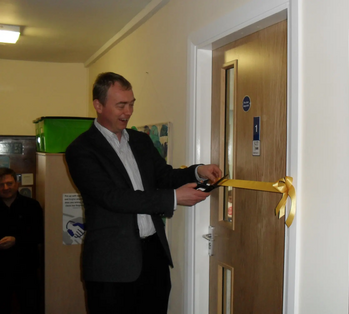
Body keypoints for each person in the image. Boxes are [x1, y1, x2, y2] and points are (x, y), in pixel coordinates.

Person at [65, 72, 222, 314]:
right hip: (111, 266)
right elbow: (112, 197)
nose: (128, 112)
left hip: (153, 258)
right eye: (121, 105)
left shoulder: (140, 141)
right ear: (98, 105)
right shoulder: (81, 150)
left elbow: (164, 176)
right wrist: (173, 198)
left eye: (131, 104)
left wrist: (198, 171)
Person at [0, 167, 44, 314]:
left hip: (26, 269)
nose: (5, 188)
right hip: (1, 270)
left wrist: (16, 240)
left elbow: (39, 235)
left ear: (16, 184)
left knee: (30, 307)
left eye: (9, 183)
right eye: (1, 184)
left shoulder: (31, 206)